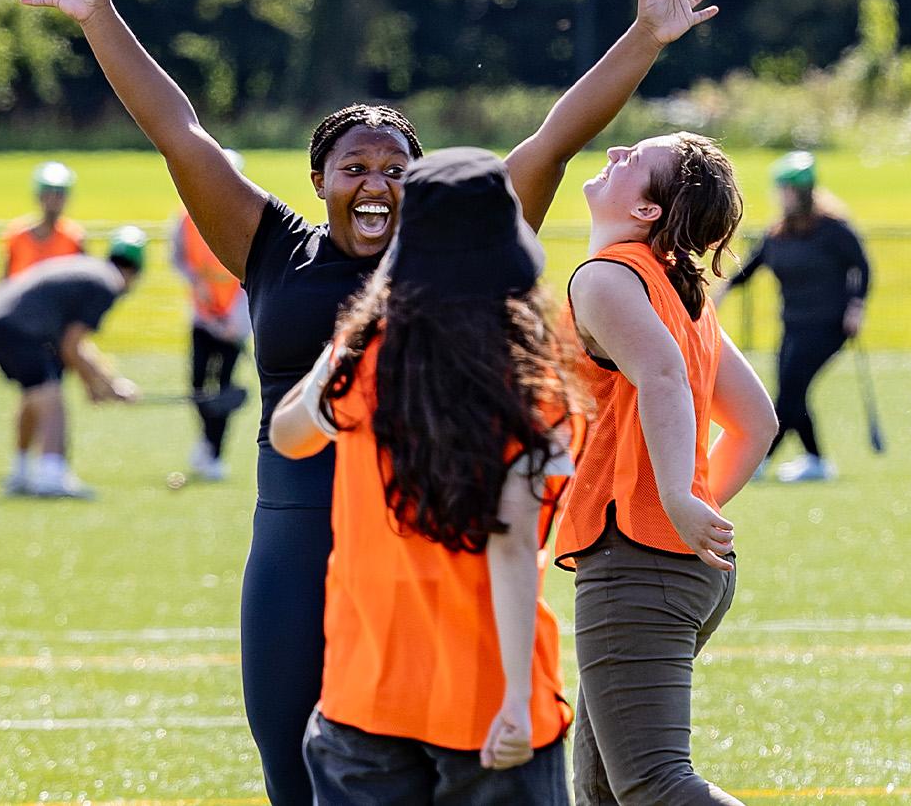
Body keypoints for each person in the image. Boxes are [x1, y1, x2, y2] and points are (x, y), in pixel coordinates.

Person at [19, 0, 719, 804]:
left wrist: (645, 38)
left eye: (396, 168)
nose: (377, 181)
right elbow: (181, 133)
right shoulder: (273, 248)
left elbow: (553, 141)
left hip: (423, 553)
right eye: (355, 167)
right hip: (295, 543)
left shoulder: (455, 249)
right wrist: (99, 18)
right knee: (293, 770)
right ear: (320, 179)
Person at [269, 149, 579, 803]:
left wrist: (354, 331)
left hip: (364, 694)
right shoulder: (531, 374)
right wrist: (520, 700)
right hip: (487, 698)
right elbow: (514, 545)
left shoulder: (363, 358)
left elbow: (287, 434)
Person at [557, 132, 778, 805]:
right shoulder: (679, 288)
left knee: (654, 785)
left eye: (636, 159)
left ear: (650, 211)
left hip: (638, 560)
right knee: (602, 790)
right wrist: (689, 505)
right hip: (678, 565)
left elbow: (662, 373)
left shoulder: (605, 276)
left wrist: (678, 496)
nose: (617, 149)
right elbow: (756, 422)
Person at [719, 151, 870, 482]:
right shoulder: (778, 232)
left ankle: (757, 459)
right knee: (793, 391)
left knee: (790, 391)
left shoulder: (833, 229)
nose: (782, 197)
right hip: (794, 324)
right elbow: (750, 267)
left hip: (828, 326)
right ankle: (815, 461)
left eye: (788, 191)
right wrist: (721, 291)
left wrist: (856, 306)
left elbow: (862, 265)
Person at [0, 227, 146, 499]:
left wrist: (101, 383)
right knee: (51, 397)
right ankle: (51, 476)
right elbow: (72, 346)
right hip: (17, 328)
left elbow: (74, 346)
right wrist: (104, 385)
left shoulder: (92, 272)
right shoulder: (108, 285)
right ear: (135, 273)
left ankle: (20, 473)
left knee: (36, 393)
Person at [170, 148, 252, 482]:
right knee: (197, 385)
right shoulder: (186, 218)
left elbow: (252, 274)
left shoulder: (248, 218)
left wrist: (236, 319)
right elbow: (180, 260)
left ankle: (216, 452)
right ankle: (206, 441)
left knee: (224, 388)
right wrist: (197, 288)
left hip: (235, 322)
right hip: (203, 318)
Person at [4, 162, 86, 279]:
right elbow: (5, 283)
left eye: (59, 194)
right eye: (48, 194)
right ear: (38, 196)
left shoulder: (74, 237)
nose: (53, 201)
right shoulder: (17, 236)